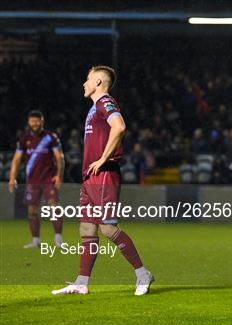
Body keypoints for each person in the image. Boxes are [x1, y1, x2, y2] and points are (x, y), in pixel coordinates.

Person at [52, 65, 153, 296]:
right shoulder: (93, 108)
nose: (84, 84)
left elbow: (119, 127)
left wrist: (102, 158)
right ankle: (81, 282)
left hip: (105, 174)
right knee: (87, 228)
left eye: (87, 79)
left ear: (98, 82)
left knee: (107, 227)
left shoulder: (105, 102)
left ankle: (142, 273)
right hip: (91, 177)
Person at [9, 110, 65, 248]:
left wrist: (59, 176)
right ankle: (36, 240)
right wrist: (12, 178)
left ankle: (58, 239)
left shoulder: (50, 137)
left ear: (42, 121)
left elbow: (59, 157)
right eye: (32, 121)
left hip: (49, 180)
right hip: (32, 181)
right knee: (32, 211)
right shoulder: (24, 139)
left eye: (37, 121)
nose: (34, 123)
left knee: (54, 207)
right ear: (28, 122)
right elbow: (16, 160)